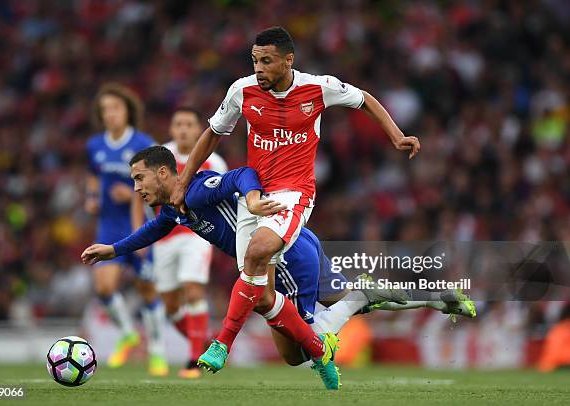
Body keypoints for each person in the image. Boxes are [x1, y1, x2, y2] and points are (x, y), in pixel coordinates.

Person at [82, 146, 474, 389]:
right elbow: (154, 229)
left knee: (303, 342)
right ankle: (433, 300)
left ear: (163, 172)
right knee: (294, 349)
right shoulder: (173, 208)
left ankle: (358, 299)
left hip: (284, 257)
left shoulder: (198, 188)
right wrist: (113, 250)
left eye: (139, 177)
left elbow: (242, 174)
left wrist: (251, 200)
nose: (136, 187)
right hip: (288, 249)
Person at [168, 26, 420, 372]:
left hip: (294, 194)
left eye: (267, 61)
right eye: (255, 60)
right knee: (264, 303)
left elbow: (363, 99)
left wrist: (396, 136)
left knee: (258, 251)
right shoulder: (242, 91)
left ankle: (220, 344)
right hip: (253, 196)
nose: (259, 68)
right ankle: (329, 334)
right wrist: (182, 182)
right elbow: (213, 132)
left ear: (288, 60)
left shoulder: (317, 87)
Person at [85, 83, 168, 376]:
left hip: (138, 224)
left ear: (128, 111)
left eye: (115, 108)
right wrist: (93, 197)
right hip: (108, 225)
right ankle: (127, 333)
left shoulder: (142, 143)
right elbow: (93, 176)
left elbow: (159, 185)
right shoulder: (95, 146)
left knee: (147, 289)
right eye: (105, 109)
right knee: (104, 287)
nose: (110, 114)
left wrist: (132, 192)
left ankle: (157, 350)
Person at [156, 107, 227, 378]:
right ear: (172, 129)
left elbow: (222, 200)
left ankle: (193, 358)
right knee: (171, 305)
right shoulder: (159, 157)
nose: (184, 129)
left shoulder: (215, 162)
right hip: (164, 237)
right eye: (178, 124)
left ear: (198, 129)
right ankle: (204, 343)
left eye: (189, 124)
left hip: (196, 234)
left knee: (193, 291)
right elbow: (143, 193)